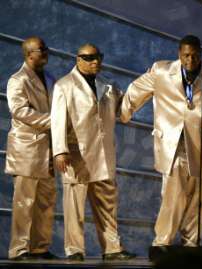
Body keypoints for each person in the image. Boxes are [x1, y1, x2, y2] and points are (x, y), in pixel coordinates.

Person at [120, 35, 202, 258]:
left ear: (201, 54)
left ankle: (192, 243)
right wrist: (123, 111)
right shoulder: (162, 71)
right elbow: (136, 88)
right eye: (186, 55)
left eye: (194, 55)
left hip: (198, 141)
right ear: (179, 54)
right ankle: (162, 241)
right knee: (172, 194)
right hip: (171, 141)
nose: (190, 60)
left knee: (198, 196)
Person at [51, 43, 135, 261]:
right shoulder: (64, 85)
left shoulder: (108, 85)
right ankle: (75, 249)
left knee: (107, 204)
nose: (95, 61)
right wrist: (59, 150)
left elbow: (123, 111)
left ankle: (112, 249)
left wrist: (142, 91)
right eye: (89, 58)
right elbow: (58, 120)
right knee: (74, 206)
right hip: (76, 155)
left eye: (98, 56)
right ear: (77, 59)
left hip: (103, 154)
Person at [5, 37, 58, 261]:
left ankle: (39, 248)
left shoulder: (50, 78)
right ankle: (19, 250)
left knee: (46, 202)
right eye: (42, 50)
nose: (46, 52)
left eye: (46, 48)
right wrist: (54, 121)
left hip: (48, 149)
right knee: (24, 202)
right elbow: (20, 111)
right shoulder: (17, 80)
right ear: (29, 54)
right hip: (26, 148)